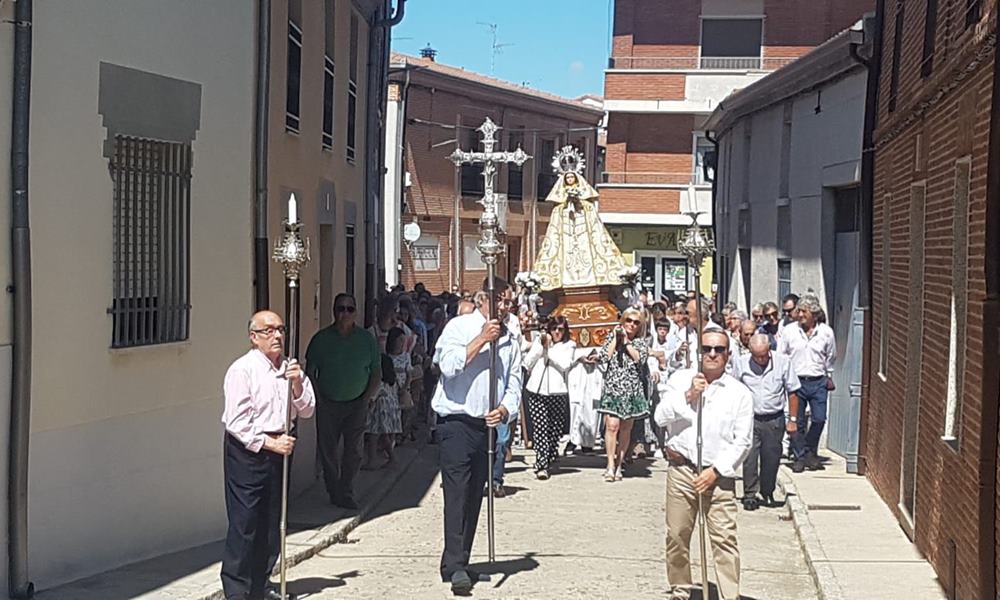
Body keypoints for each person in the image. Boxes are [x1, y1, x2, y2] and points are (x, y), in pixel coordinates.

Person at [432, 276, 521, 595]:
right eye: (500, 300)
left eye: (509, 302)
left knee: (473, 496)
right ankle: (455, 564)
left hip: (486, 425)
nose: (505, 307)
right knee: (456, 493)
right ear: (483, 299)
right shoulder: (458, 327)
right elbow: (448, 366)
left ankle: (459, 560)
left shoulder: (511, 339)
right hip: (456, 421)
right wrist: (482, 339)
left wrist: (506, 409)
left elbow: (514, 381)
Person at [221, 311, 316, 600]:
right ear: (254, 337)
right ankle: (237, 590)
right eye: (269, 330)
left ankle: (261, 586)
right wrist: (270, 443)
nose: (276, 336)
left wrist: (297, 383)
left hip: (281, 448)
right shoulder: (243, 370)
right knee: (245, 522)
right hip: (249, 451)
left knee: (273, 520)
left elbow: (307, 409)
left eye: (280, 330)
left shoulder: (290, 369)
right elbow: (236, 422)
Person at [655, 329, 753, 600]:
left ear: (728, 355)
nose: (712, 354)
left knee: (724, 539)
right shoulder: (680, 380)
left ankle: (729, 595)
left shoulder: (740, 393)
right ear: (698, 352)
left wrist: (716, 471)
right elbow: (660, 417)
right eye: (707, 348)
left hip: (718, 476)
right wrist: (688, 396)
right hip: (682, 470)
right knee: (677, 535)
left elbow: (743, 441)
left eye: (718, 350)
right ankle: (681, 590)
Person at [305, 293, 381, 510]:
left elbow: (376, 373)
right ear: (334, 311)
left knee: (354, 451)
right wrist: (318, 399)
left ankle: (346, 490)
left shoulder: (366, 340)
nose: (345, 313)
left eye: (349, 309)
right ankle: (333, 490)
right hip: (328, 403)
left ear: (355, 312)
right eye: (341, 308)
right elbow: (310, 372)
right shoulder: (321, 339)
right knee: (327, 450)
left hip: (357, 403)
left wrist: (366, 399)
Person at [732, 334, 800, 510]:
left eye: (764, 355)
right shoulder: (741, 363)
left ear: (769, 349)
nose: (761, 360)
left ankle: (767, 490)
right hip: (750, 418)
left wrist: (792, 420)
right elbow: (734, 390)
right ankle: (750, 494)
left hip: (774, 418)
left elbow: (793, 392)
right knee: (749, 456)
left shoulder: (783, 362)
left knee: (771, 457)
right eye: (757, 356)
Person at [778, 294, 837, 472]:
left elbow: (831, 355)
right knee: (797, 421)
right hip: (796, 381)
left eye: (804, 311)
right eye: (799, 311)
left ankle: (810, 451)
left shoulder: (826, 332)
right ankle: (799, 457)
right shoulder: (789, 331)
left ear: (814, 313)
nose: (800, 314)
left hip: (818, 380)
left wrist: (827, 373)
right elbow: (782, 355)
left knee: (819, 419)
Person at [597, 308, 650, 482]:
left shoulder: (640, 342)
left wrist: (627, 343)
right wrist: (616, 338)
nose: (632, 325)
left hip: (631, 390)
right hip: (614, 388)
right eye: (629, 320)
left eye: (636, 322)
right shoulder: (612, 337)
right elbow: (604, 357)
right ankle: (610, 464)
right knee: (612, 426)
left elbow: (639, 359)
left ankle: (620, 464)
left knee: (626, 428)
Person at [523, 316, 576, 479]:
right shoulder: (541, 341)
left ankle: (550, 455)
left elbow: (565, 364)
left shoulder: (569, 345)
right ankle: (542, 464)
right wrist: (540, 346)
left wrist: (548, 351)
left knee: (554, 430)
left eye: (560, 329)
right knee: (540, 429)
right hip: (537, 390)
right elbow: (527, 362)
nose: (557, 332)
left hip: (558, 392)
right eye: (554, 329)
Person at [363, 327, 407, 469]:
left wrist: (369, 401)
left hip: (379, 409)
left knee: (374, 435)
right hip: (390, 407)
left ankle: (372, 460)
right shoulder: (392, 382)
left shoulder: (380, 383)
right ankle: (392, 458)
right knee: (383, 435)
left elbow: (375, 394)